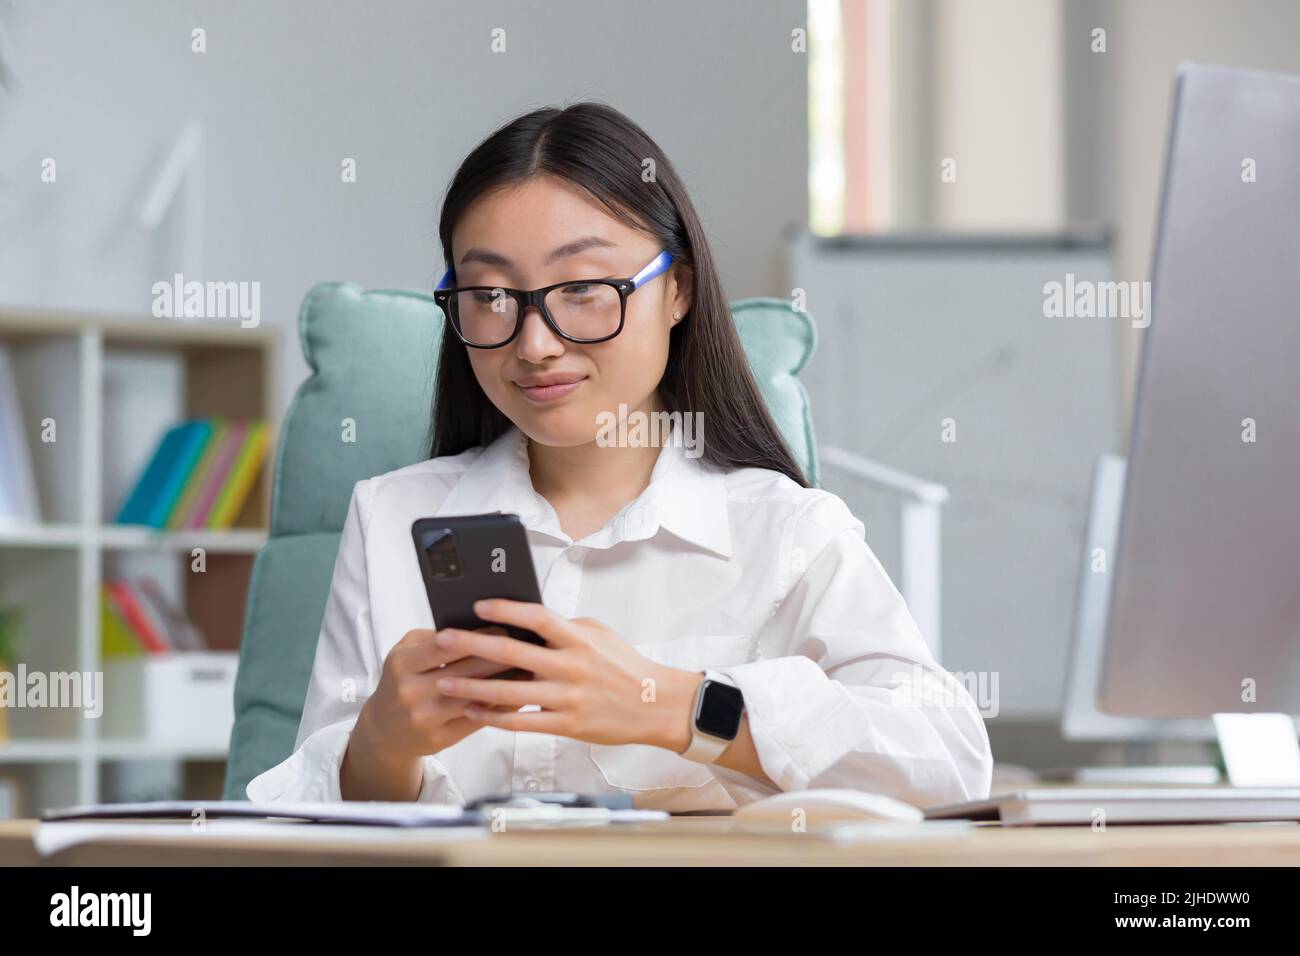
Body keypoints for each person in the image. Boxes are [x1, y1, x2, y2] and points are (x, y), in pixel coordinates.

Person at [246, 102, 993, 811]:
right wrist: (382, 742)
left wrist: (677, 704)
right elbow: (315, 833)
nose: (534, 344)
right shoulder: (393, 518)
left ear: (678, 291)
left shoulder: (788, 531)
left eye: (582, 289)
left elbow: (948, 759)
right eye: (490, 296)